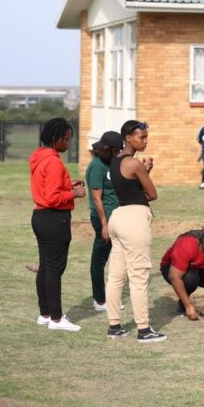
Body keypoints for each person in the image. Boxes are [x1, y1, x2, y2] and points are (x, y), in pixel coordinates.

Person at [106, 120, 166, 342]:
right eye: (141, 137)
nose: (145, 141)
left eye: (146, 136)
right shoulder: (134, 164)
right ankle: (144, 330)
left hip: (118, 218)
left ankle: (114, 326)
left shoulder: (116, 161)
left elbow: (129, 186)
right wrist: (146, 172)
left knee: (116, 277)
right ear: (128, 137)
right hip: (134, 220)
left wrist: (144, 172)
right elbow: (151, 194)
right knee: (139, 276)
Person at [29, 117, 86, 331]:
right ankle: (56, 318)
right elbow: (53, 198)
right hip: (54, 218)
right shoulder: (53, 161)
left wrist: (66, 184)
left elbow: (47, 188)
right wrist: (75, 193)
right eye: (66, 138)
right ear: (56, 139)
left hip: (40, 217)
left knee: (45, 266)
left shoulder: (40, 157)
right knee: (54, 268)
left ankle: (45, 314)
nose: (69, 142)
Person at [85, 131, 124, 311]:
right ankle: (100, 300)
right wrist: (104, 224)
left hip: (115, 216)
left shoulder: (110, 163)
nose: (119, 153)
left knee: (115, 257)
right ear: (110, 149)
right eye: (117, 150)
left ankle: (110, 296)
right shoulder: (96, 166)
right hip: (103, 218)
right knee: (99, 259)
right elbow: (97, 198)